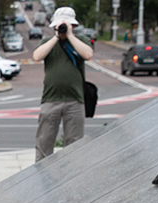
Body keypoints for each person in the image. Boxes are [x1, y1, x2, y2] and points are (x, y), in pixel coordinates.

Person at [32, 6, 93, 161]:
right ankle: (41, 175)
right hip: (50, 99)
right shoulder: (48, 42)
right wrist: (56, 37)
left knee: (75, 144)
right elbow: (37, 56)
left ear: (74, 26)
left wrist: (70, 35)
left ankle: (72, 176)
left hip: (75, 99)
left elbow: (87, 54)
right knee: (44, 142)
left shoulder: (81, 41)